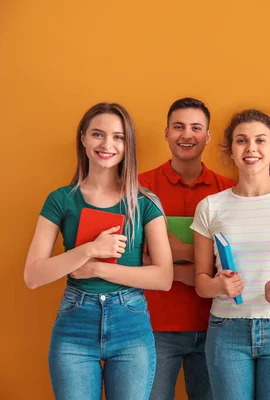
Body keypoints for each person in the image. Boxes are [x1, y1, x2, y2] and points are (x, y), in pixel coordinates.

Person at [24, 102, 173, 400]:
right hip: (75, 324)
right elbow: (33, 275)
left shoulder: (145, 202)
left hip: (130, 322)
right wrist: (90, 249)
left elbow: (163, 277)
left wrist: (96, 267)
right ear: (82, 138)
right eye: (98, 134)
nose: (107, 144)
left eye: (118, 137)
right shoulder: (60, 200)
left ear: (127, 144)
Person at [191, 109, 270, 400]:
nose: (251, 148)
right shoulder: (210, 206)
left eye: (260, 140)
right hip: (226, 330)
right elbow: (200, 281)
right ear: (231, 151)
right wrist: (218, 285)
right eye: (242, 141)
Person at [139, 97, 235, 400]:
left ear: (207, 136)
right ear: (166, 132)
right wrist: (197, 267)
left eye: (196, 128)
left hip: (216, 326)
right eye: (178, 127)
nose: (187, 135)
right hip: (154, 326)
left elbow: (235, 262)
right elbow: (133, 259)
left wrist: (176, 253)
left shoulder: (228, 189)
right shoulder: (140, 186)